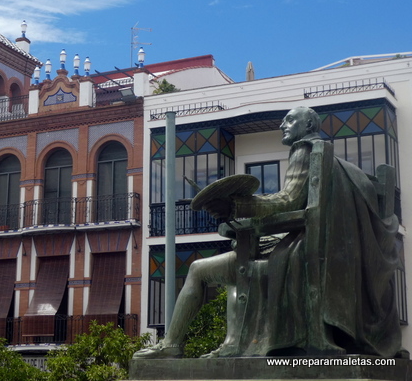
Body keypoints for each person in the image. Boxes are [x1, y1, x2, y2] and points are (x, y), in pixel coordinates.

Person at [134, 106, 401, 359]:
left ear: (308, 124)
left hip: (304, 252)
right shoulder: (345, 168)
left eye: (289, 120)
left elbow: (289, 201)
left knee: (198, 270)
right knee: (240, 261)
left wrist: (236, 205)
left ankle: (172, 345)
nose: (282, 125)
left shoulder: (305, 150)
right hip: (334, 258)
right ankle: (231, 343)